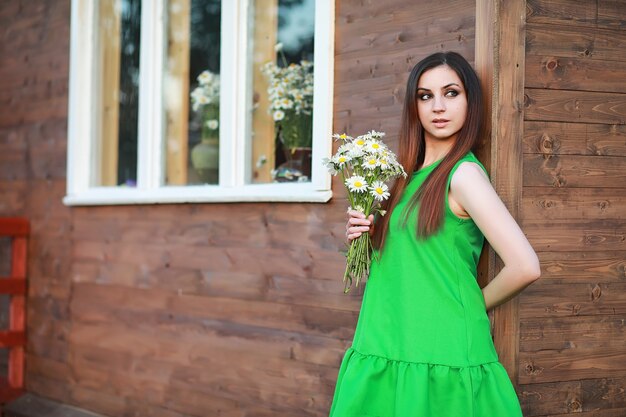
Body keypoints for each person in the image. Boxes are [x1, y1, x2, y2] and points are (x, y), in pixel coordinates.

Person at [328, 51, 541, 417]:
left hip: (439, 353)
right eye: (425, 96)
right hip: (384, 342)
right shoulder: (404, 179)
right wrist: (368, 234)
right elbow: (415, 261)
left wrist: (469, 307)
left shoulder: (463, 175)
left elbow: (525, 266)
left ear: (470, 100)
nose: (438, 106)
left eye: (451, 93)